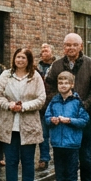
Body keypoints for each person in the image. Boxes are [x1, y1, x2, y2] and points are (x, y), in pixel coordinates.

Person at [44, 34, 91, 181]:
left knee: (85, 156)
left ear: (81, 46)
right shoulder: (56, 66)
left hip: (82, 119)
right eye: (67, 45)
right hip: (61, 123)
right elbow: (49, 88)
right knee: (63, 160)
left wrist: (84, 105)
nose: (70, 48)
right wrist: (58, 105)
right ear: (63, 47)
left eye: (74, 45)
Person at [0, 47, 47, 181]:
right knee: (11, 162)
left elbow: (41, 99)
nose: (20, 60)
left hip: (28, 126)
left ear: (28, 60)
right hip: (8, 126)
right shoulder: (6, 75)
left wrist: (24, 106)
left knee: (28, 162)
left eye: (23, 57)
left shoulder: (35, 76)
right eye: (18, 57)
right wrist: (9, 105)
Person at [45, 71, 90, 181]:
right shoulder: (54, 101)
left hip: (72, 144)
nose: (63, 86)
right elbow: (46, 117)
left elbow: (84, 120)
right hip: (57, 143)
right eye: (60, 83)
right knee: (59, 173)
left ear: (72, 85)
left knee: (71, 173)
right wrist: (51, 120)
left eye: (66, 83)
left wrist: (69, 120)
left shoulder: (77, 102)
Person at [36, 43, 56, 171]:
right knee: (42, 133)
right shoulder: (37, 68)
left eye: (46, 50)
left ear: (52, 52)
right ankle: (44, 158)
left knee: (54, 133)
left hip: (53, 103)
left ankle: (57, 155)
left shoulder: (57, 66)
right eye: (42, 50)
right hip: (40, 105)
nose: (44, 52)